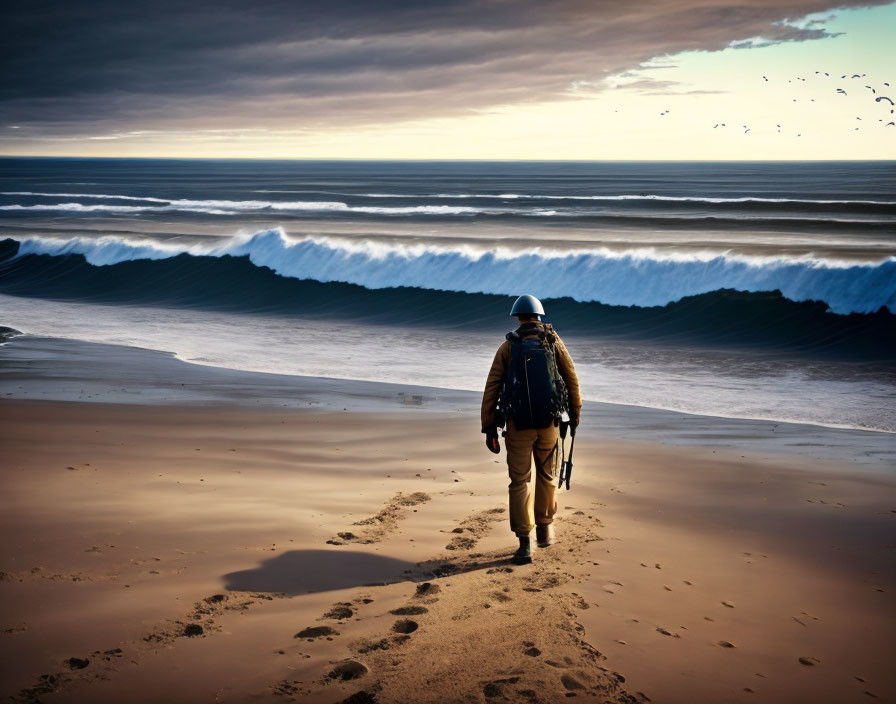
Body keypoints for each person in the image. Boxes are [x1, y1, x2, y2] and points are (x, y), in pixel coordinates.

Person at [481, 294, 582, 565]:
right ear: (540, 316)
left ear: (517, 317)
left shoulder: (508, 346)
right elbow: (571, 377)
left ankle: (524, 543)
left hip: (518, 426)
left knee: (519, 481)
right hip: (549, 424)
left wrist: (489, 427)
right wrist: (575, 414)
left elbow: (492, 387)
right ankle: (545, 531)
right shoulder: (553, 342)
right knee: (548, 477)